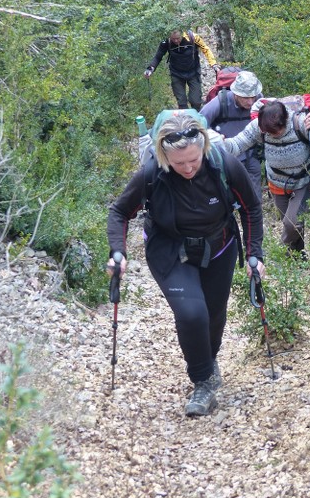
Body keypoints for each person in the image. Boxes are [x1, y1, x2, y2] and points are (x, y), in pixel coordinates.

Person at [107, 113, 264, 418]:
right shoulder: (152, 173)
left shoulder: (223, 164)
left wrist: (255, 254)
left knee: (214, 312)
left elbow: (252, 207)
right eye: (179, 164)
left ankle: (209, 358)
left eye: (193, 160)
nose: (189, 168)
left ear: (203, 148)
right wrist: (118, 252)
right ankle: (203, 382)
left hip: (219, 245)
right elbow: (119, 212)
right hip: (169, 249)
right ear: (165, 156)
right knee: (192, 313)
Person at [223, 100, 310, 254]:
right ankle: (296, 259)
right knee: (292, 223)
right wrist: (220, 143)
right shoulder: (260, 127)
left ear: (285, 121)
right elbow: (238, 144)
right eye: (267, 132)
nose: (271, 135)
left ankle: (280, 252)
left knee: (292, 223)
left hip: (307, 179)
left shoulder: (300, 123)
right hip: (278, 182)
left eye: (275, 131)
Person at [200, 71, 264, 201]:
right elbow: (199, 123)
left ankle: (254, 213)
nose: (251, 102)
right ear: (235, 93)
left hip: (251, 153)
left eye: (253, 96)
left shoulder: (259, 100)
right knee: (229, 191)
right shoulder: (221, 102)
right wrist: (214, 138)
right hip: (227, 155)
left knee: (255, 192)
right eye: (246, 97)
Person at [144, 29, 220, 111]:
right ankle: (185, 120)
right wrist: (151, 68)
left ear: (182, 35)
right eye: (173, 39)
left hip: (193, 72)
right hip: (176, 74)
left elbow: (206, 49)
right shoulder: (166, 41)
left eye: (178, 38)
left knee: (196, 101)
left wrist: (214, 64)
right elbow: (158, 56)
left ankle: (197, 119)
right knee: (182, 103)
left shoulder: (192, 37)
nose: (176, 41)